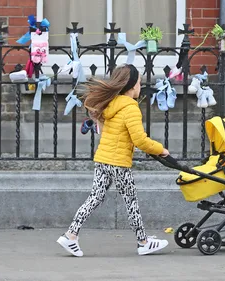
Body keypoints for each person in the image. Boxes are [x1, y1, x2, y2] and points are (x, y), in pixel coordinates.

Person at [57, 64, 170, 256]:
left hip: (103, 160)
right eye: (140, 83)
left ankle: (71, 235)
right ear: (133, 86)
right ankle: (143, 242)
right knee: (131, 201)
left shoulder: (111, 104)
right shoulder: (130, 109)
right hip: (118, 163)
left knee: (95, 197)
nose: (140, 87)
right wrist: (161, 150)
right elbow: (140, 140)